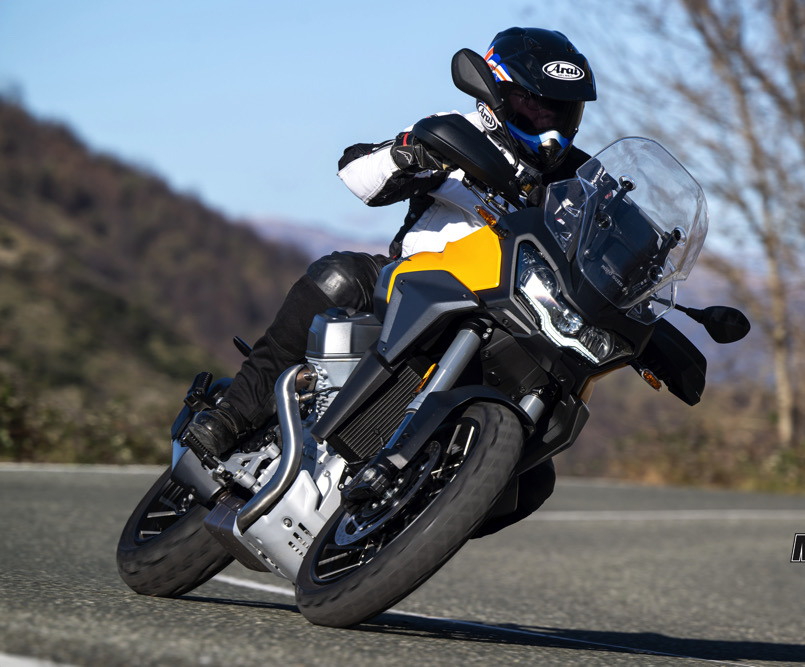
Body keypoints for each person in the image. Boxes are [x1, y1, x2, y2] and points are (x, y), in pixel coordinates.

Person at [181, 27, 597, 533]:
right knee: (338, 278)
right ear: (495, 94)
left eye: (560, 112)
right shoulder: (456, 133)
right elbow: (357, 173)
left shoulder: (583, 185)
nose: (547, 123)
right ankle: (233, 415)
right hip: (410, 286)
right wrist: (409, 156)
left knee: (532, 479)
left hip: (510, 321)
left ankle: (402, 536)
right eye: (534, 106)